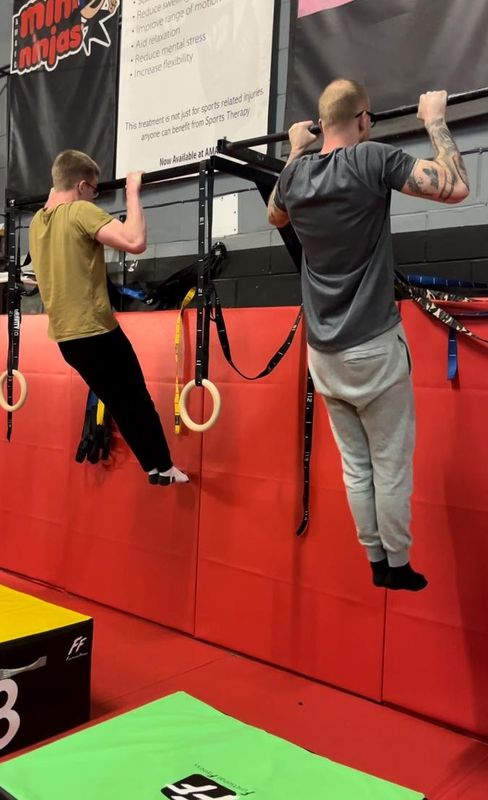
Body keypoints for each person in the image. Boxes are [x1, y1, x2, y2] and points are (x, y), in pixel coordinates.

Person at [267, 81, 469, 591]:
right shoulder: (372, 158)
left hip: (324, 354)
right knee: (390, 463)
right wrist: (434, 121)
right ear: (361, 119)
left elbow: (275, 215)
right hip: (374, 347)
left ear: (321, 123)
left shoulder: (295, 176)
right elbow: (457, 186)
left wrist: (294, 150)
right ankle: (397, 565)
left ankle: (375, 559)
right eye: (370, 120)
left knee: (357, 465)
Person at [29, 149, 189, 486]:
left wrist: (63, 185)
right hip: (96, 331)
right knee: (136, 399)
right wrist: (132, 191)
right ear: (84, 186)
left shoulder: (37, 222)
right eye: (96, 190)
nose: (95, 196)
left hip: (66, 340)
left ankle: (156, 468)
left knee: (121, 400)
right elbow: (135, 241)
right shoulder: (80, 211)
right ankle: (161, 466)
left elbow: (56, 194)